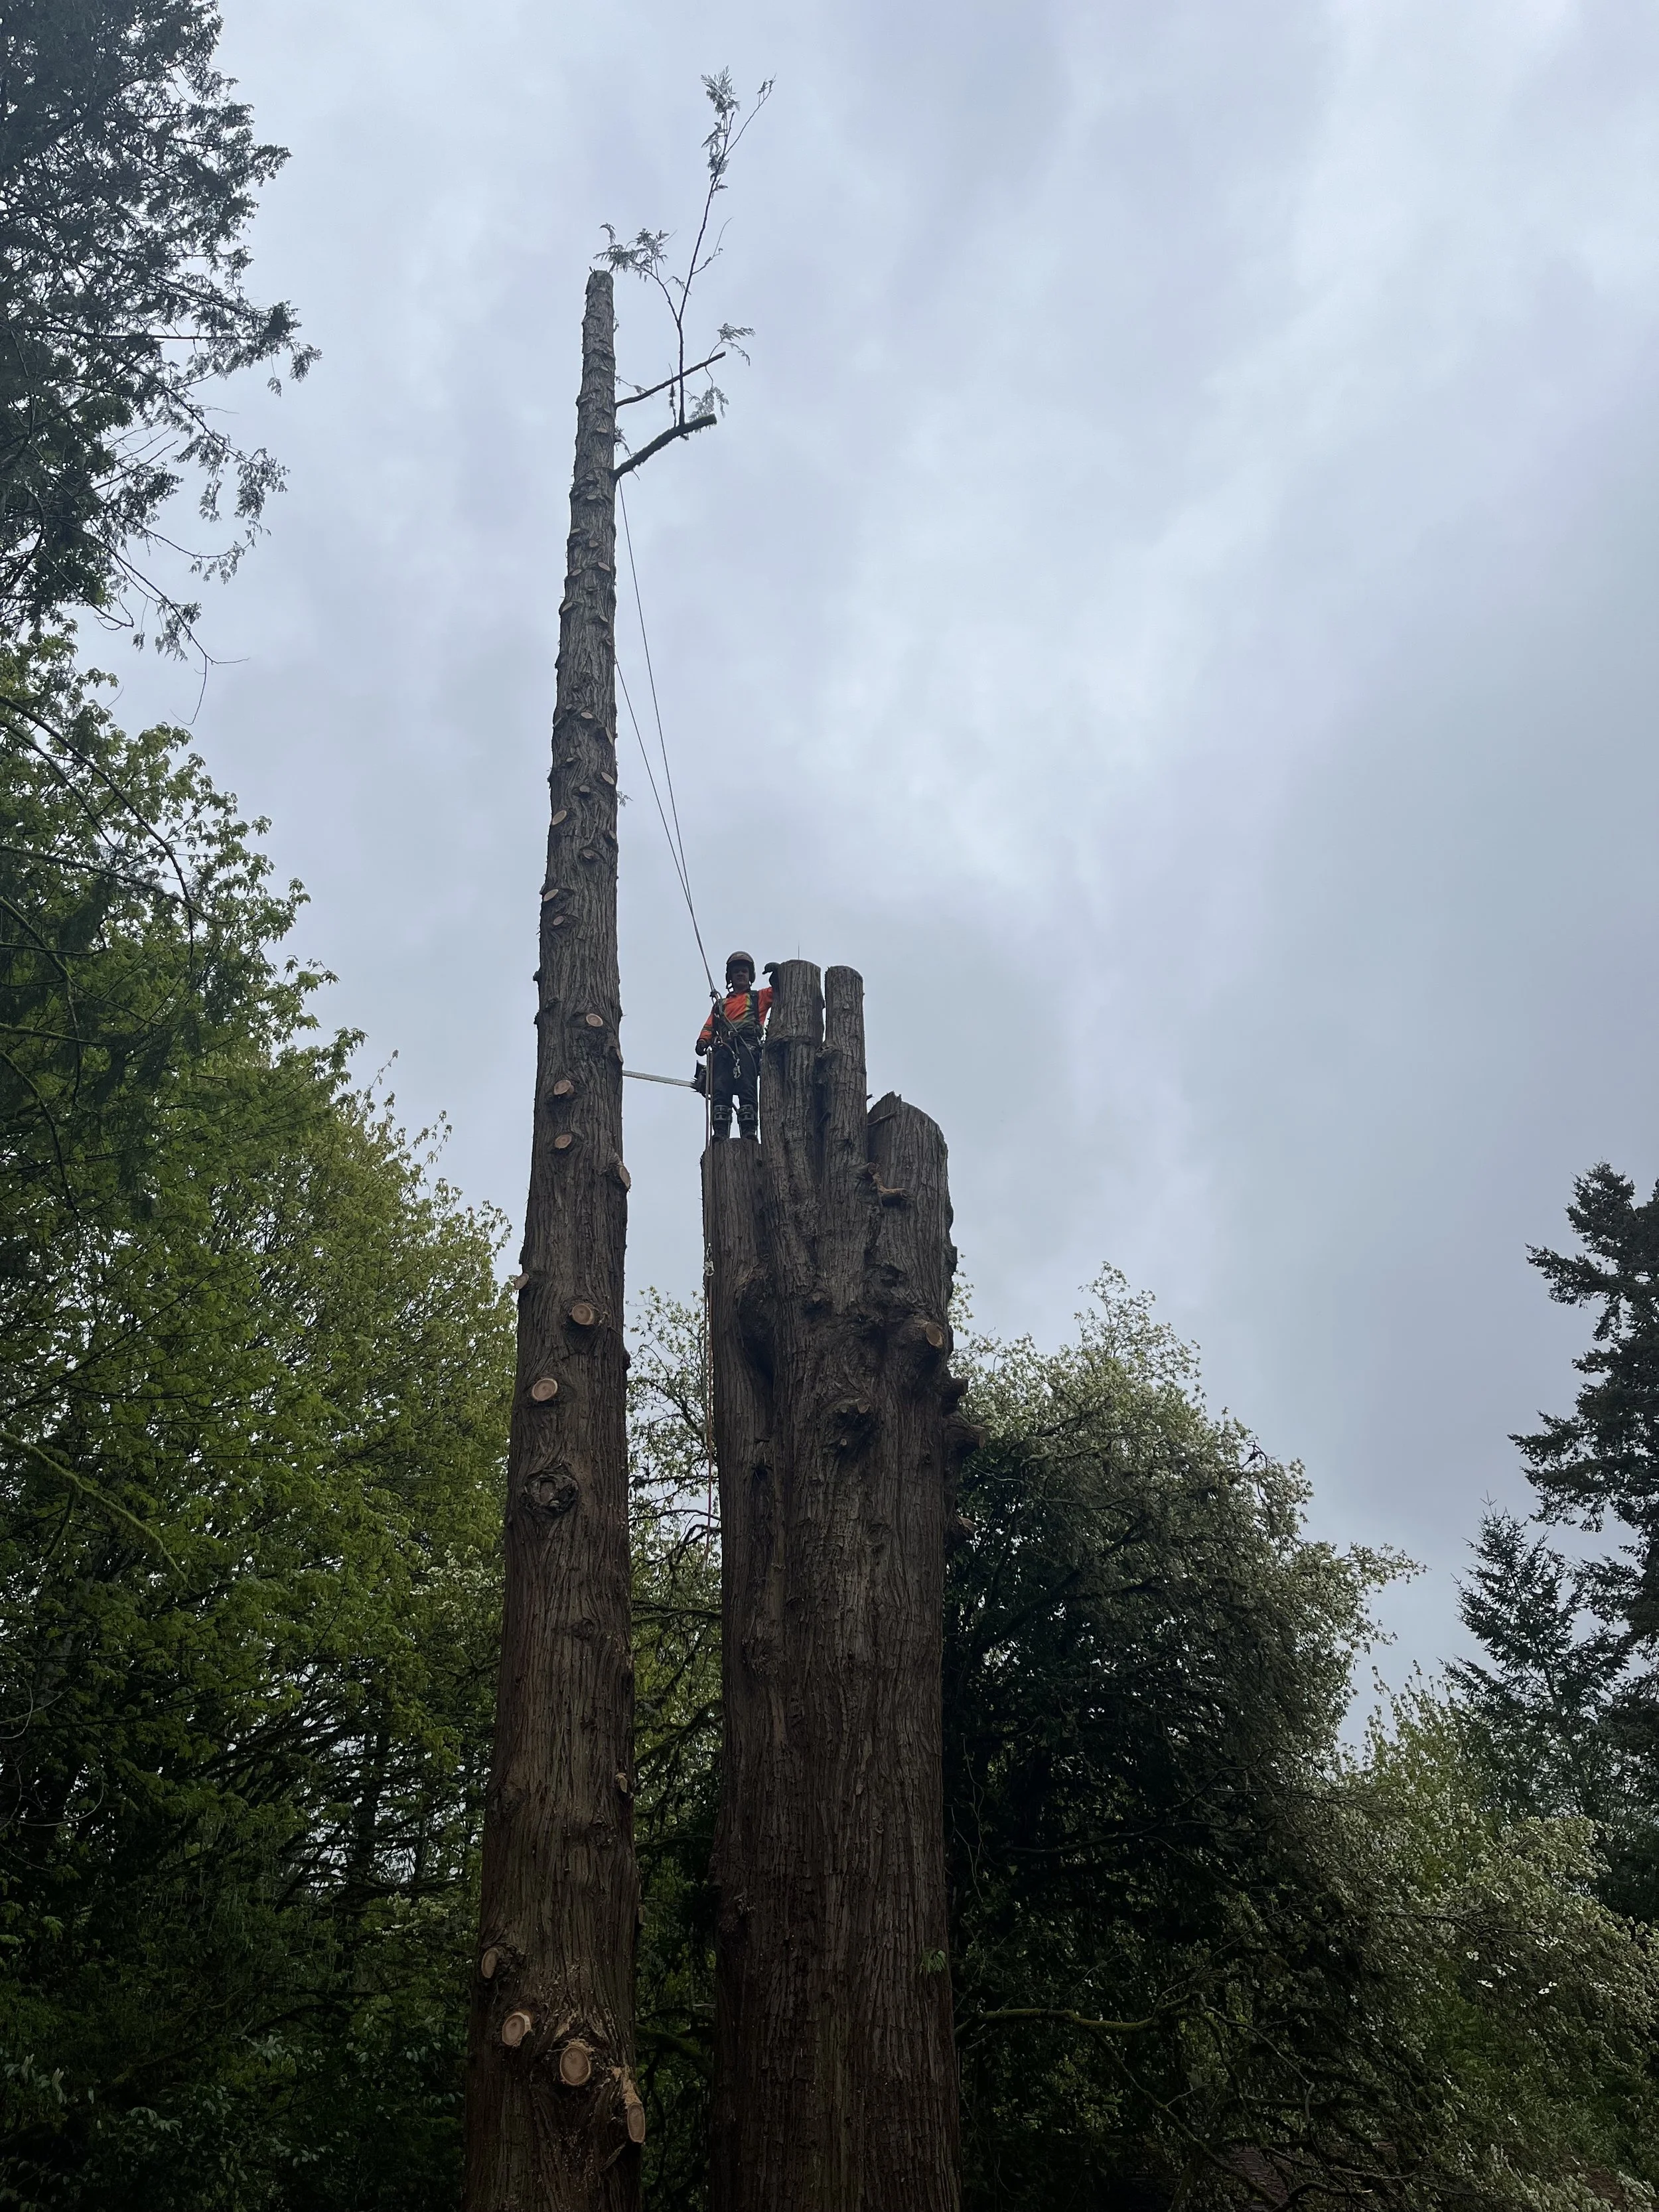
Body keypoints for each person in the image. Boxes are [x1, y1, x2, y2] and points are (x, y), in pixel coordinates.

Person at [695, 951, 772, 1140]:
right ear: (730, 976)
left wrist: (778, 975)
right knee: (721, 1089)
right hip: (723, 1049)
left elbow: (779, 989)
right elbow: (710, 1026)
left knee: (747, 1087)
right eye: (736, 971)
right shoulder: (720, 1005)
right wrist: (703, 1040)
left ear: (750, 976)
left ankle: (749, 1131)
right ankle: (720, 1132)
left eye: (744, 971)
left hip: (747, 1046)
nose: (740, 974)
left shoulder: (757, 998)